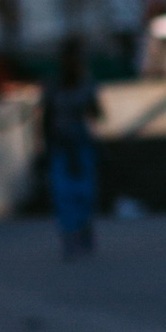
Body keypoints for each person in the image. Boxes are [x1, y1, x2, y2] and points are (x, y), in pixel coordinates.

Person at [40, 38, 103, 258]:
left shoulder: (84, 84)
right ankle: (71, 233)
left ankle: (80, 229)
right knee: (65, 191)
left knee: (82, 191)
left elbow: (97, 113)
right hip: (63, 143)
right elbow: (46, 119)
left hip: (78, 141)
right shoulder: (55, 85)